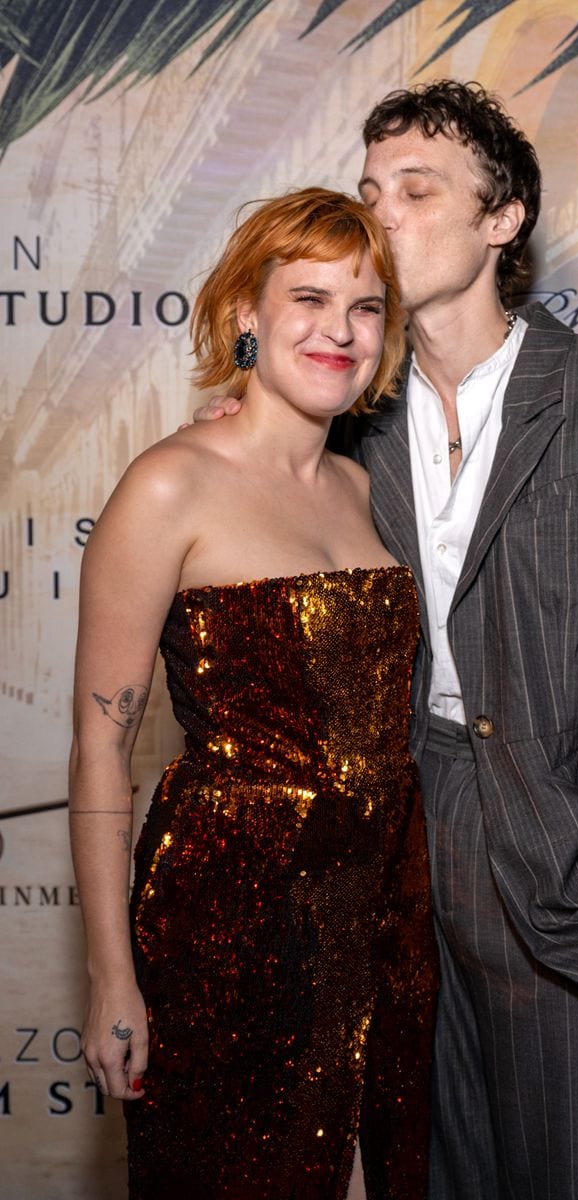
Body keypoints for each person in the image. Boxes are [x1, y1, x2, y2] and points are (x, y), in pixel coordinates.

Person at [196, 82, 578, 1200]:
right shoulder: (345, 423)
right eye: (369, 190)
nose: (381, 214)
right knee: (434, 1175)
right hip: (400, 855)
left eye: (416, 188)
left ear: (503, 219)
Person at [68, 188, 438, 1200]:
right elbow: (103, 747)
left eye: (365, 308)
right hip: (229, 921)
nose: (339, 330)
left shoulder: (367, 489)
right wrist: (110, 974)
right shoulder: (168, 485)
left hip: (380, 918)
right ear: (244, 314)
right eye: (308, 297)